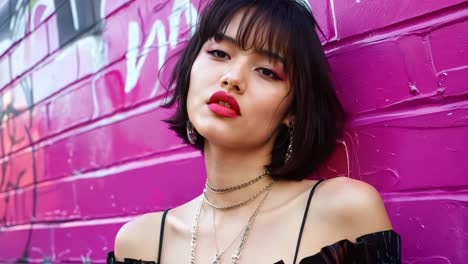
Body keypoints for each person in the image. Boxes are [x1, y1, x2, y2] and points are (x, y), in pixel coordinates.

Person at [107, 0, 401, 263]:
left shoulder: (343, 213)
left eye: (267, 71)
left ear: (292, 112)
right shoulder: (139, 243)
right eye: (219, 53)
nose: (232, 78)